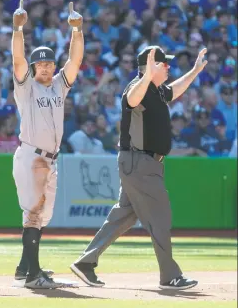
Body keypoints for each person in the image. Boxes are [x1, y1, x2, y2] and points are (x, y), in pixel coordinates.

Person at [70, 46, 208, 290]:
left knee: (122, 216)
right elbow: (131, 99)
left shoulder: (154, 90)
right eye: (164, 64)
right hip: (140, 163)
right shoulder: (138, 87)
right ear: (151, 66)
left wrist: (195, 70)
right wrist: (146, 75)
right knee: (160, 217)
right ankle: (170, 276)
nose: (168, 67)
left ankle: (85, 262)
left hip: (141, 164)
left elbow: (174, 91)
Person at [11, 0, 84, 289]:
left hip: (50, 158)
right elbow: (17, 60)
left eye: (48, 63)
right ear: (33, 67)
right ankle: (32, 275)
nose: (44, 68)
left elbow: (75, 62)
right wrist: (18, 29)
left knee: (42, 214)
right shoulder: (26, 86)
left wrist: (77, 32)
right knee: (34, 213)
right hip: (31, 155)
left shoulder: (57, 85)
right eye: (40, 64)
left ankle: (24, 266)